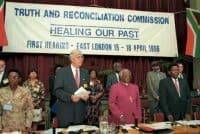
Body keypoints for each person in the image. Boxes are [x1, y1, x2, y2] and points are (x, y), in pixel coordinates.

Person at [54, 49, 89, 127]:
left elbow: (87, 88)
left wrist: (87, 95)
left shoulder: (85, 72)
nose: (81, 59)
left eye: (82, 57)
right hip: (66, 113)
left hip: (80, 113)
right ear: (72, 59)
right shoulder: (62, 72)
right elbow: (57, 91)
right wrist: (70, 97)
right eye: (78, 57)